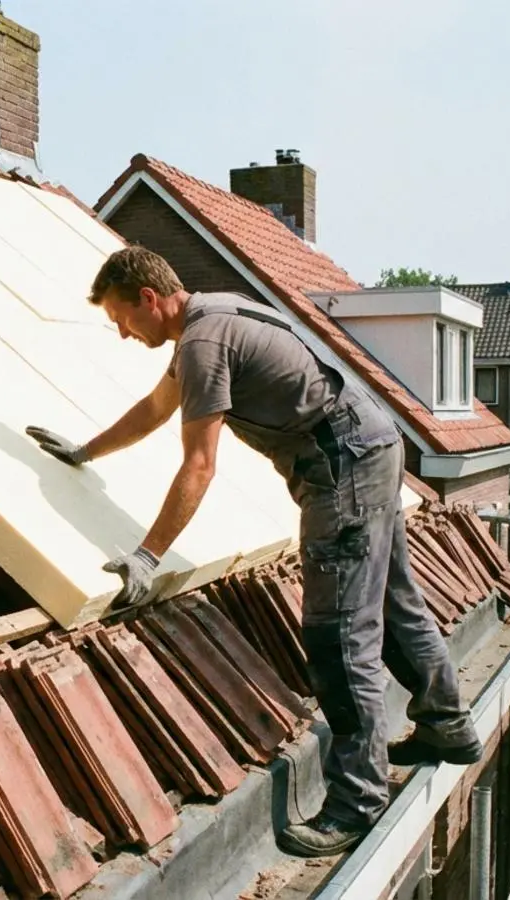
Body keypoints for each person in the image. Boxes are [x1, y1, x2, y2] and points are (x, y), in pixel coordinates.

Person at [25, 246, 481, 858]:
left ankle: (356, 803)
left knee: (341, 637)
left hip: (342, 468)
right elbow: (157, 410)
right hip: (371, 447)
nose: (121, 332)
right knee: (397, 606)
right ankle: (447, 726)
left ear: (149, 300)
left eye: (120, 317)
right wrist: (86, 451)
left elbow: (200, 464)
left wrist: (146, 557)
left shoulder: (201, 343)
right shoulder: (214, 312)